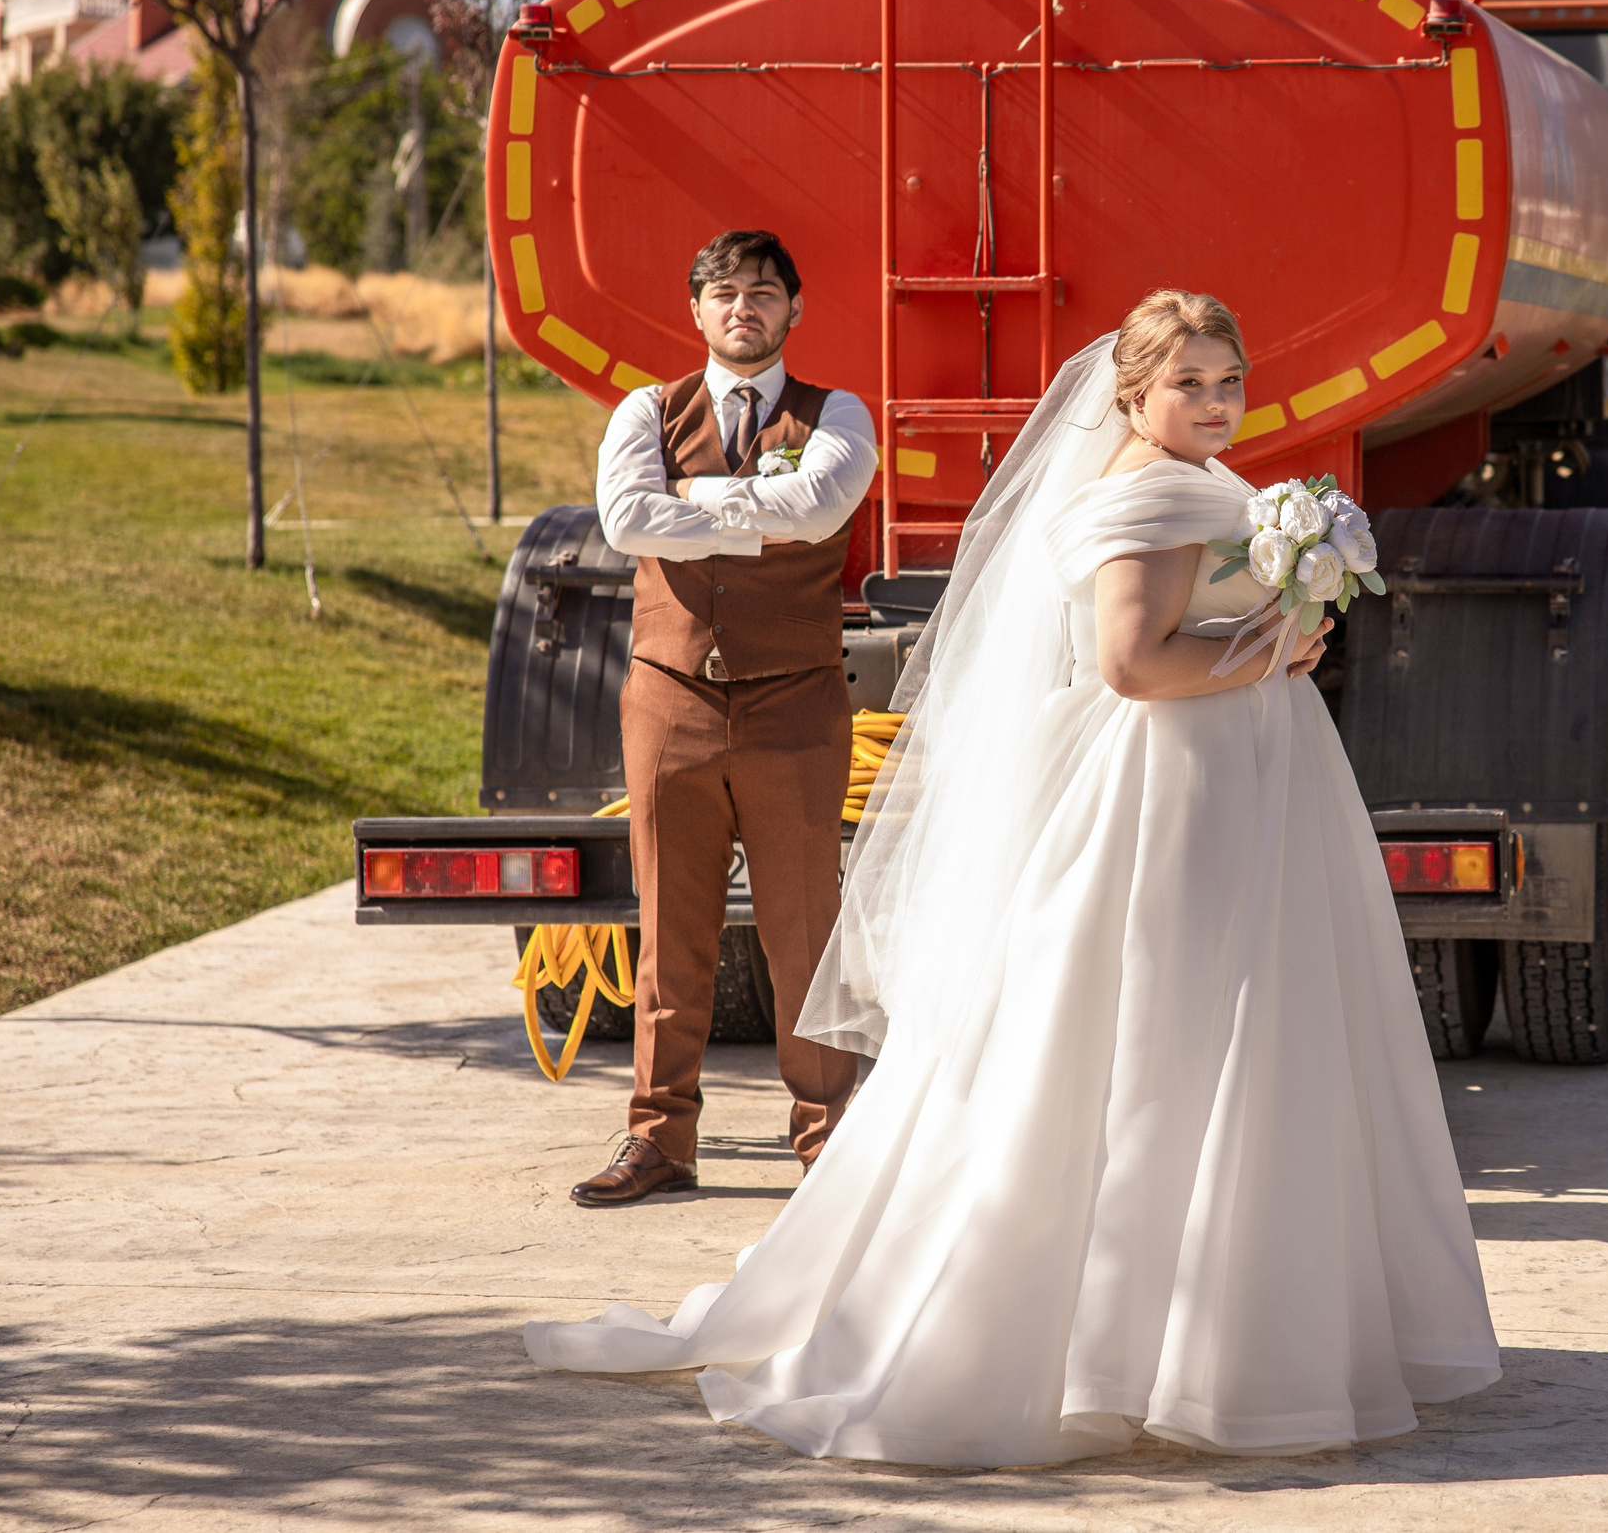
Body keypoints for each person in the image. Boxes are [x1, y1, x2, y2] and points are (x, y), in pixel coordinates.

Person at [528, 291, 1499, 1459]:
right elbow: (1134, 665)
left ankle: (1212, 1334)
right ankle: (1103, 1341)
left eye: (1227, 380)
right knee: (1155, 1042)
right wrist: (1276, 645)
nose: (1213, 401)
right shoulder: (1142, 494)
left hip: (1253, 778)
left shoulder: (1212, 487)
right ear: (1131, 393)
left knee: (1241, 1045)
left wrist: (1287, 621)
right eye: (1186, 382)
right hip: (1171, 788)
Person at [572, 230, 876, 1206]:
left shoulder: (840, 414)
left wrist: (695, 499)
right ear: (695, 311)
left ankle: (829, 1143)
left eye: (762, 292)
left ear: (794, 310)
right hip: (671, 698)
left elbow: (822, 509)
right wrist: (756, 506)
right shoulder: (643, 410)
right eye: (723, 292)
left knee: (804, 932)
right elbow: (626, 519)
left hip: (795, 702)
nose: (742, 306)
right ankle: (660, 1139)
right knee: (669, 930)